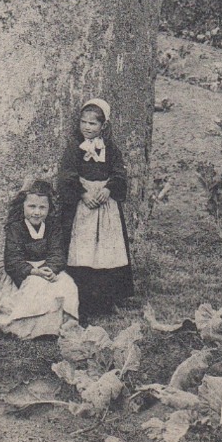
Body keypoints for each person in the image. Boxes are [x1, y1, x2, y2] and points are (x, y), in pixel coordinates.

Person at [58, 98, 134, 322]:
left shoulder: (110, 149)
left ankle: (106, 300)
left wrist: (109, 189)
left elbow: (119, 172)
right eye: (83, 122)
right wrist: (82, 193)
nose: (87, 127)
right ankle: (83, 300)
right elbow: (67, 174)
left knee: (106, 251)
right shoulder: (74, 147)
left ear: (103, 126)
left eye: (93, 124)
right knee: (82, 249)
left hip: (105, 207)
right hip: (84, 206)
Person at [0, 179, 79, 339]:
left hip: (46, 269)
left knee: (67, 283)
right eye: (32, 206)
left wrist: (50, 269)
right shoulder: (16, 228)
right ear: (23, 206)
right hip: (21, 272)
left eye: (42, 207)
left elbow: (57, 254)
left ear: (49, 208)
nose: (37, 212)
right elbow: (13, 260)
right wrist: (34, 271)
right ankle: (29, 328)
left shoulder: (52, 227)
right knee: (36, 285)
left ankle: (58, 326)